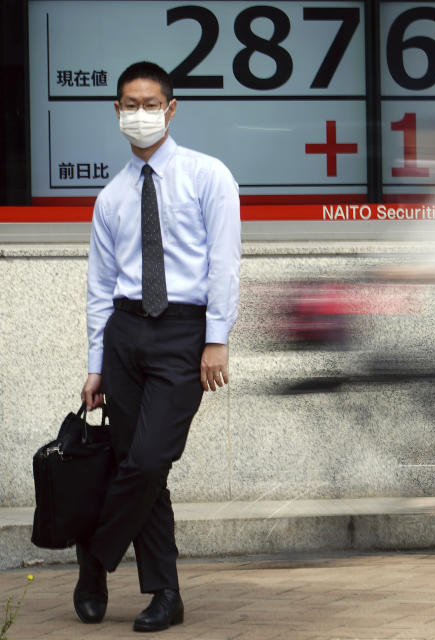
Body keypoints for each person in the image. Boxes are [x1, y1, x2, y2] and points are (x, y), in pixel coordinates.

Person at [76, 61, 241, 632]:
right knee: (138, 467)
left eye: (150, 103)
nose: (139, 114)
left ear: (171, 109)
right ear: (116, 112)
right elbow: (99, 289)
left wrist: (217, 338)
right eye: (129, 104)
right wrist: (96, 364)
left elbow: (224, 265)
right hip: (124, 334)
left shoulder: (208, 176)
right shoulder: (110, 197)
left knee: (149, 459)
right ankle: (164, 594)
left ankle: (94, 559)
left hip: (182, 334)